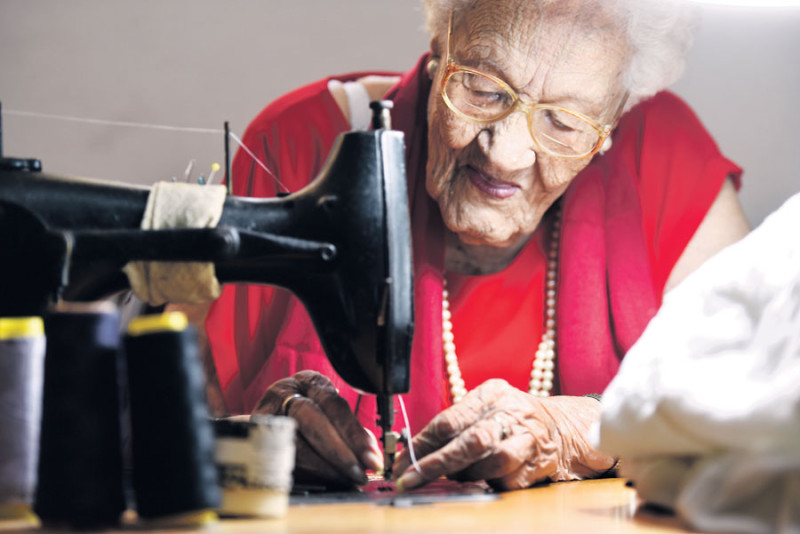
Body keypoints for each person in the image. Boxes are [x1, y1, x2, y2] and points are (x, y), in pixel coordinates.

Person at [192, 0, 751, 491]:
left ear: (616, 115)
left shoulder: (668, 161)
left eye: (563, 122)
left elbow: (754, 394)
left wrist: (588, 428)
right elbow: (163, 423)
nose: (504, 152)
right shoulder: (299, 147)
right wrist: (246, 442)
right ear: (440, 47)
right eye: (483, 88)